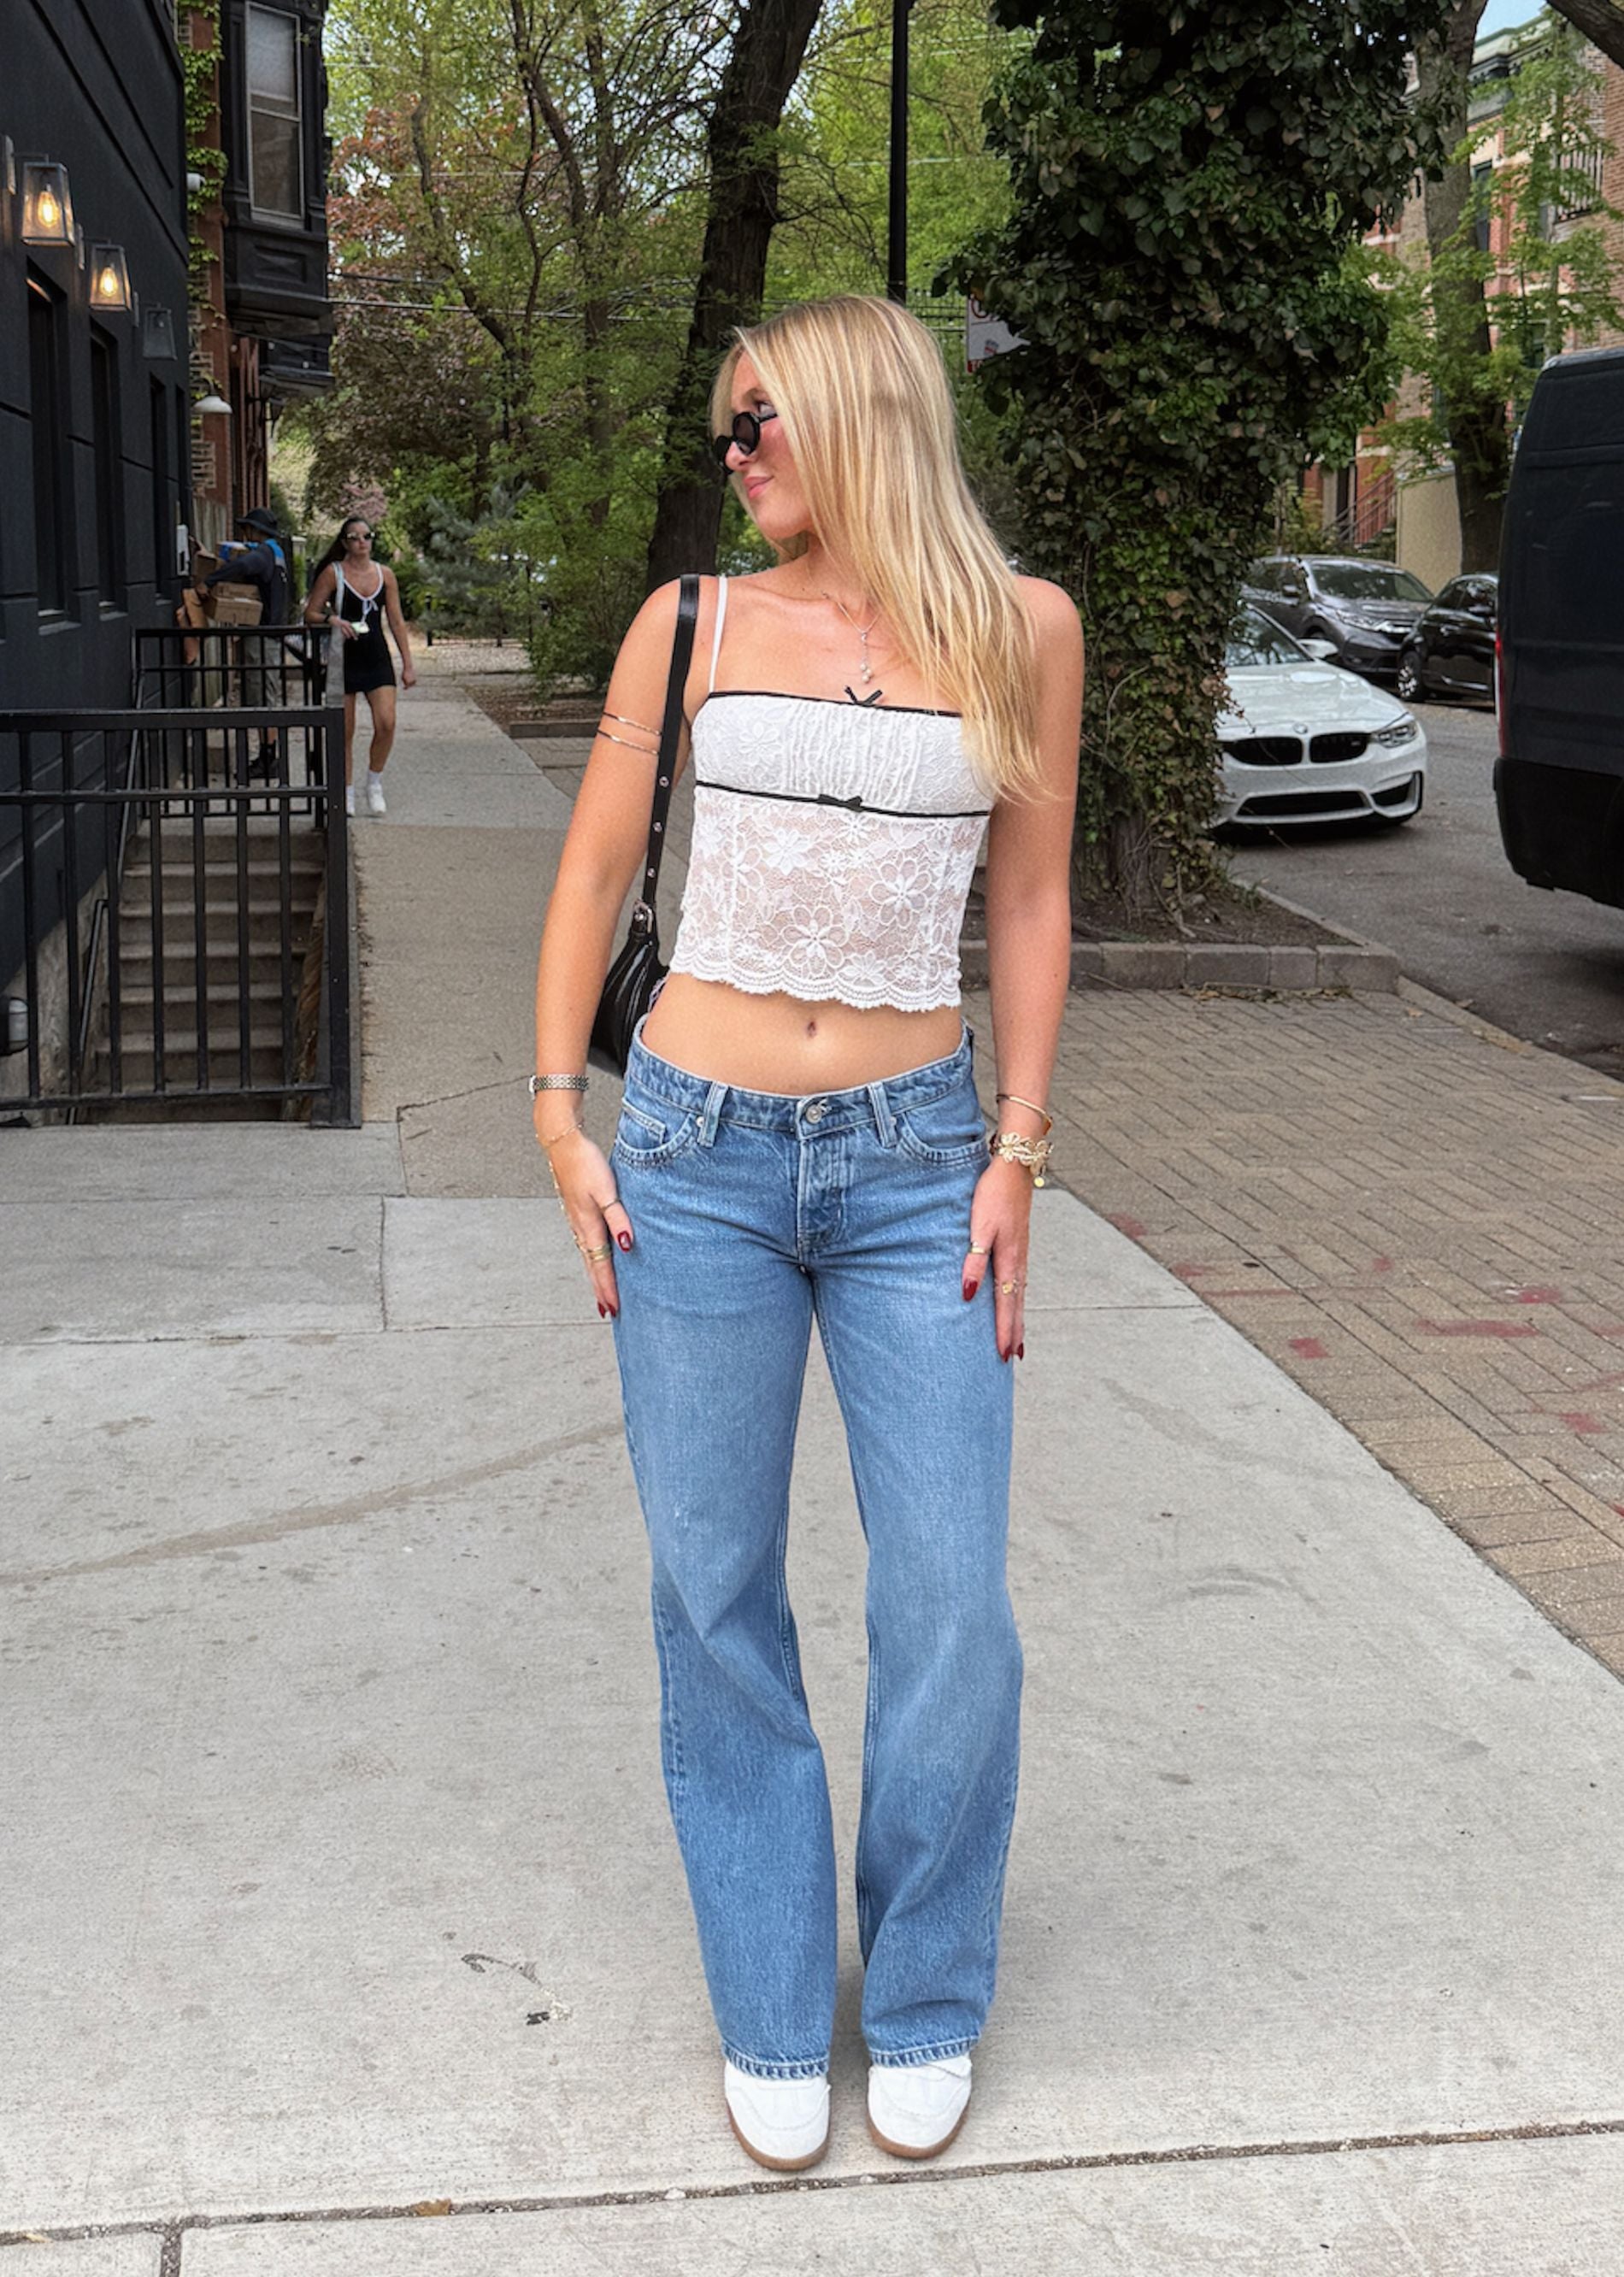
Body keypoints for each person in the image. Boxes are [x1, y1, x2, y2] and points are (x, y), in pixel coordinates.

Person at [532, 296, 1082, 2174]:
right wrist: (556, 1108)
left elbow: (1027, 899)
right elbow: (596, 864)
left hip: (920, 1163)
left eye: (759, 417)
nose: (737, 451)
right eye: (726, 426)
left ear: (859, 410)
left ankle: (923, 1988)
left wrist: (1020, 1146)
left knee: (952, 1602)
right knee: (714, 1591)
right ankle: (772, 1998)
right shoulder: (690, 622)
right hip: (692, 1157)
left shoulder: (1021, 631)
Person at [303, 515, 416, 815]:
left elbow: (396, 621)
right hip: (343, 657)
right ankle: (347, 790)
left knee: (386, 721)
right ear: (345, 543)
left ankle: (374, 781)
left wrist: (407, 664)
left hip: (376, 655)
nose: (362, 542)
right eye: (354, 537)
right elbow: (310, 613)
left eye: (367, 536)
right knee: (344, 729)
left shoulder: (385, 575)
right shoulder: (334, 573)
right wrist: (333, 620)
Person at [182, 506, 293, 778]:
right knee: (263, 696)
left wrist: (210, 581)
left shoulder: (264, 554)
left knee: (262, 698)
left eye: (247, 529)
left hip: (263, 636)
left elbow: (243, 565)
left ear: (255, 530)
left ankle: (268, 760)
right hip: (270, 635)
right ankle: (267, 756)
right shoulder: (276, 553)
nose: (245, 534)